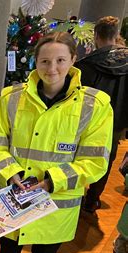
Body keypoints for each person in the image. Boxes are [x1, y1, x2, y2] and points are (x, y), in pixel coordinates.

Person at [0, 32, 113, 253]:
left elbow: (96, 161)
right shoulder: (11, 98)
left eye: (60, 60)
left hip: (56, 203)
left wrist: (52, 181)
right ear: (35, 62)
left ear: (73, 61)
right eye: (45, 60)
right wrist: (13, 172)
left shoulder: (95, 105)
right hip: (15, 196)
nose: (52, 68)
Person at [75, 16, 128, 213]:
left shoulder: (87, 65)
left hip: (86, 122)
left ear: (96, 35)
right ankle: (93, 199)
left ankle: (76, 196)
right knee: (105, 160)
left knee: (79, 158)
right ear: (116, 35)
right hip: (116, 123)